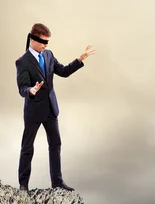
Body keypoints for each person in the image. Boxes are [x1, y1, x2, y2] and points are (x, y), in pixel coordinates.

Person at [15, 23, 95, 192]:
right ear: (33, 39)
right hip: (33, 110)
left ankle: (57, 182)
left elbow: (64, 71)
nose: (46, 45)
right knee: (28, 146)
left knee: (55, 144)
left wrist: (80, 60)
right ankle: (23, 185)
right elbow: (22, 87)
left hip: (51, 109)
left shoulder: (49, 55)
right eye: (43, 42)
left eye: (47, 42)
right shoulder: (22, 62)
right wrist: (31, 90)